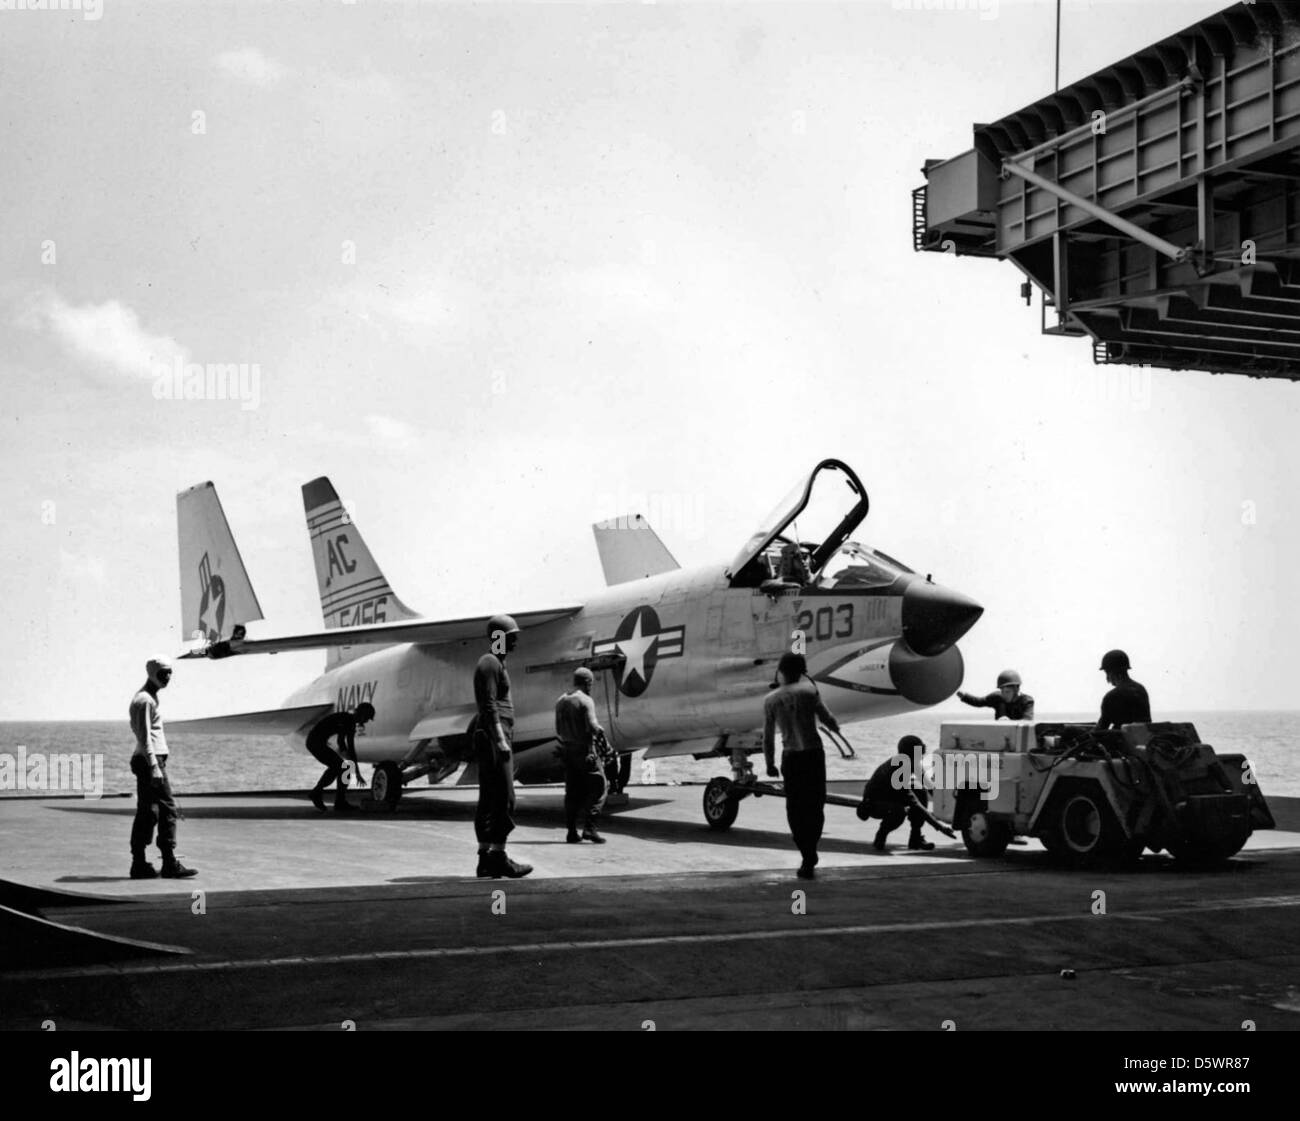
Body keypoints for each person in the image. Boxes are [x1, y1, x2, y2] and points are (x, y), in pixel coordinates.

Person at [762, 651, 841, 880]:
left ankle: (806, 853)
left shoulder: (771, 700)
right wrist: (836, 729)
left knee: (794, 809)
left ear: (781, 672)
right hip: (814, 756)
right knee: (815, 806)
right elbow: (829, 720)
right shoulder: (810, 692)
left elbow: (768, 737)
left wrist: (770, 764)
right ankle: (811, 850)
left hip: (791, 758)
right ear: (802, 672)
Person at [473, 614, 532, 878]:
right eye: (512, 636)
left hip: (496, 735)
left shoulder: (496, 664)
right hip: (495, 736)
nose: (516, 641)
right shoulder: (489, 663)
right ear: (499, 637)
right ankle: (498, 856)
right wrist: (499, 739)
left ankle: (486, 859)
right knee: (505, 797)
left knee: (490, 797)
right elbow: (488, 704)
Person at [128, 656, 197, 879]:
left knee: (148, 812)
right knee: (167, 809)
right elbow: (145, 736)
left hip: (149, 760)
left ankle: (139, 863)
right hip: (151, 761)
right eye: (162, 673)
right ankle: (168, 862)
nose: (167, 677)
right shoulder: (145, 700)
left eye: (169, 673)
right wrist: (155, 766)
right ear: (152, 673)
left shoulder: (148, 698)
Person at [856, 735, 935, 852]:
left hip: (891, 798)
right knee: (898, 812)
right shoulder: (898, 766)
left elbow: (930, 787)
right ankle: (880, 837)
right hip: (874, 804)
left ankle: (915, 838)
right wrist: (938, 826)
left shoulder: (912, 763)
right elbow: (912, 800)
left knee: (920, 792)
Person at [554, 667, 607, 844]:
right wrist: (601, 731)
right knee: (600, 788)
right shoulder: (586, 700)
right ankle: (590, 829)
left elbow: (558, 730)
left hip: (568, 751)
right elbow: (593, 726)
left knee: (571, 793)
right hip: (585, 752)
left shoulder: (561, 701)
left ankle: (571, 832)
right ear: (588, 682)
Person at [306, 702, 375, 813]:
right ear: (363, 715)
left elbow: (347, 747)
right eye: (367, 718)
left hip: (317, 742)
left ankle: (329, 797)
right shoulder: (348, 721)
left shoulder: (349, 721)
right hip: (315, 743)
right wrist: (356, 771)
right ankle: (321, 795)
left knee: (341, 768)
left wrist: (356, 771)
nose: (367, 721)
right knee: (341, 768)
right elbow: (345, 745)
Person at [1096, 649, 1151, 730]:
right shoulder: (1141, 689)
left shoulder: (1112, 696)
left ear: (1110, 672)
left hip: (1121, 741)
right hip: (1144, 739)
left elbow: (1102, 727)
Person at [957, 669, 1035, 720]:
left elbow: (1027, 721)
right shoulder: (997, 698)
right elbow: (978, 702)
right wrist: (963, 695)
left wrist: (1009, 722)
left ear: (1016, 690)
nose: (1004, 695)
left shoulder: (1027, 701)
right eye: (1002, 691)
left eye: (1007, 692)